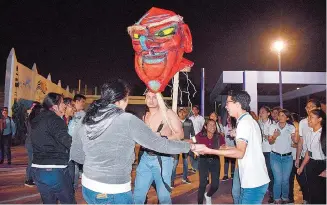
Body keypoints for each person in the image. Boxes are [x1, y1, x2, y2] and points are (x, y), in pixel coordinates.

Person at [71, 80, 203, 204]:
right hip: (114, 190)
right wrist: (189, 146)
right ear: (123, 99)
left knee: (162, 195)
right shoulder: (128, 119)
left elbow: (77, 155)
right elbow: (159, 144)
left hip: (88, 187)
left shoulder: (86, 117)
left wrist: (96, 165)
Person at [196, 90, 270, 204]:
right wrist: (222, 149)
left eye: (228, 103)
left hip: (254, 181)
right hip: (252, 179)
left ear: (238, 104)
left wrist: (209, 150)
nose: (226, 106)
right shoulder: (247, 121)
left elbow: (240, 152)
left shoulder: (245, 123)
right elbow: (247, 149)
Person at [134, 90, 184, 204]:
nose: (151, 100)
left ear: (159, 98)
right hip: (146, 157)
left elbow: (180, 134)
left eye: (154, 97)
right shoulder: (145, 116)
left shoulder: (168, 113)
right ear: (145, 99)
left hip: (163, 159)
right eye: (148, 97)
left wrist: (163, 139)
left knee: (164, 197)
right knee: (138, 195)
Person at [30, 92, 75, 204]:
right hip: (54, 169)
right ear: (55, 106)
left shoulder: (37, 119)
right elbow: (67, 141)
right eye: (62, 103)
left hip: (37, 170)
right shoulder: (55, 120)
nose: (65, 105)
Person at [268, 109, 298, 204]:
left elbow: (295, 144)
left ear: (287, 118)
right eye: (280, 115)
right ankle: (277, 199)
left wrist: (294, 140)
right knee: (278, 179)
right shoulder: (273, 126)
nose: (280, 117)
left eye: (283, 115)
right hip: (275, 157)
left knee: (285, 180)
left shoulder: (291, 127)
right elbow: (270, 141)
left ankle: (285, 198)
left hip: (287, 158)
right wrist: (274, 136)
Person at [297, 109, 326, 204]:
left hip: (323, 165)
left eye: (312, 117)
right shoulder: (309, 133)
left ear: (320, 119)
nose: (308, 120)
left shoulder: (324, 133)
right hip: (311, 165)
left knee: (322, 194)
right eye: (308, 117)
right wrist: (302, 167)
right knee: (312, 192)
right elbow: (308, 152)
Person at [196, 119, 224, 204]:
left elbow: (223, 146)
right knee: (202, 184)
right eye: (210, 125)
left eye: (214, 125)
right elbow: (192, 140)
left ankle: (208, 195)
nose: (213, 127)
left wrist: (225, 148)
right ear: (205, 126)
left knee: (215, 185)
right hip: (203, 160)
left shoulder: (219, 136)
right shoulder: (200, 135)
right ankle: (200, 203)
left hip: (215, 160)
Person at [171, 107, 195, 187]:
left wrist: (194, 142)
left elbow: (193, 133)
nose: (182, 113)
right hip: (176, 144)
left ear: (186, 113)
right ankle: (171, 181)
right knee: (175, 163)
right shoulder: (175, 121)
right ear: (178, 113)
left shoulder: (189, 122)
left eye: (184, 111)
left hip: (185, 145)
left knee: (185, 162)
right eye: (180, 111)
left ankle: (185, 178)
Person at [68, 94, 86, 190]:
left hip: (76, 144)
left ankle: (73, 187)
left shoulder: (83, 114)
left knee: (74, 166)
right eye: (82, 102)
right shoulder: (69, 113)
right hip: (67, 143)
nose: (83, 104)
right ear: (76, 101)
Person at [258, 106, 274, 203]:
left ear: (268, 113)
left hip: (269, 151)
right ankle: (262, 192)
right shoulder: (258, 124)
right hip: (260, 152)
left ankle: (272, 193)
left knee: (270, 173)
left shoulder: (273, 124)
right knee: (261, 172)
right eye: (260, 112)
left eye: (263, 112)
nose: (261, 113)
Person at [24, 103, 42, 187]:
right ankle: (28, 179)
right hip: (33, 143)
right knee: (32, 161)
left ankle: (31, 178)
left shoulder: (30, 119)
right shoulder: (35, 120)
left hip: (30, 142)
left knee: (32, 161)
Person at [289, 112, 300, 203]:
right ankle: (290, 199)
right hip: (290, 156)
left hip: (298, 156)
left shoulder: (297, 126)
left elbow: (299, 141)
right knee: (290, 179)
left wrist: (297, 144)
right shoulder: (289, 127)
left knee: (300, 179)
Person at [222, 115, 236, 181]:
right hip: (227, 147)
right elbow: (222, 136)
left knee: (233, 161)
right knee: (226, 161)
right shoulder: (224, 127)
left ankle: (232, 173)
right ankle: (225, 175)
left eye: (230, 118)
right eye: (228, 118)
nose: (228, 119)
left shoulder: (235, 128)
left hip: (233, 147)